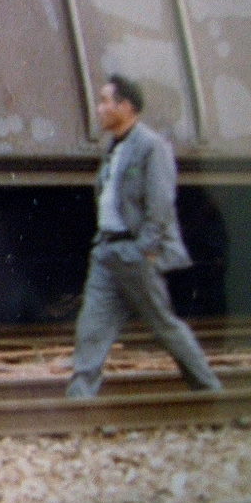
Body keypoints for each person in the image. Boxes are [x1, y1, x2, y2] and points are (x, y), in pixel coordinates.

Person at [66, 74, 223, 398]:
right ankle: (79, 402)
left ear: (125, 106)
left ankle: (209, 390)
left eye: (105, 102)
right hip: (106, 252)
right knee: (91, 328)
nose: (100, 109)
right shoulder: (113, 149)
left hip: (133, 253)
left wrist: (145, 249)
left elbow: (161, 204)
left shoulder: (152, 147)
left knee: (164, 326)